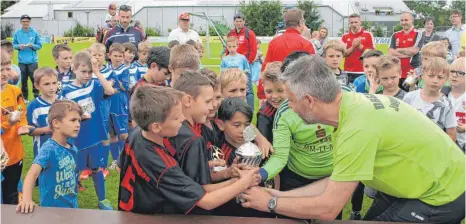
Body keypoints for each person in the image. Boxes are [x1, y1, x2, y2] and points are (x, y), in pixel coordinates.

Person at [240, 55, 465, 222]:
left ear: (309, 101)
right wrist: (279, 195)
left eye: (291, 100)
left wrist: (270, 203)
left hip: (442, 195)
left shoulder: (356, 128)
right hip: (421, 185)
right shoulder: (352, 105)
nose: (288, 106)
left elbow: (328, 208)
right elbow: (336, 182)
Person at [118, 84, 259, 214]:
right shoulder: (163, 166)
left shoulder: (138, 133)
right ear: (156, 127)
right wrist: (244, 182)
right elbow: (207, 201)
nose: (182, 120)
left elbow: (196, 188)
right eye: (176, 117)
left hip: (130, 211)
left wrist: (231, 178)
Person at [60, 51, 116, 210]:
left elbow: (110, 91)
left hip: (95, 136)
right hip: (77, 139)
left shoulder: (94, 84)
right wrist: (78, 116)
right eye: (83, 71)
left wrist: (97, 72)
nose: (87, 75)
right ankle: (72, 201)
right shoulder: (67, 90)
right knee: (75, 171)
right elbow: (63, 113)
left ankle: (103, 200)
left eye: (90, 72)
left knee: (96, 168)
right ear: (74, 69)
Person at [16, 100, 82, 213]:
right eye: (73, 120)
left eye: (79, 121)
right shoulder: (49, 148)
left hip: (72, 208)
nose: (78, 124)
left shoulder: (73, 148)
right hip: (51, 211)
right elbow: (32, 174)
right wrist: (26, 199)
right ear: (56, 123)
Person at [166, 71, 214, 188]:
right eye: (207, 101)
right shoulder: (193, 139)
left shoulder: (164, 126)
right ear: (187, 100)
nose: (212, 107)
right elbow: (199, 191)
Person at [257, 8, 315, 106]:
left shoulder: (274, 42)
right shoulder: (306, 43)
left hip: (277, 92)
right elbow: (313, 72)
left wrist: (262, 94)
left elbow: (265, 69)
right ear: (301, 22)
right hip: (298, 95)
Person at [1, 51, 30, 205]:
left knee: (11, 194)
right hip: (1, 154)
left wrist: (23, 125)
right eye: (1, 70)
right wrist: (8, 124)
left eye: (7, 68)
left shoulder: (15, 91)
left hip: (14, 154)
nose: (5, 74)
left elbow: (22, 111)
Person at [403, 57, 457, 142]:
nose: (435, 81)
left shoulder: (448, 104)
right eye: (431, 76)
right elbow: (402, 124)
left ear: (446, 79)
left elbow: (452, 136)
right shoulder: (409, 97)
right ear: (423, 75)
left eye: (440, 77)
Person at [107, 43, 130, 171]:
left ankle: (127, 158)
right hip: (108, 105)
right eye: (115, 55)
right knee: (112, 135)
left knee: (124, 135)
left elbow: (125, 88)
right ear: (109, 55)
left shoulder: (124, 69)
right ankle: (116, 160)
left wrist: (115, 79)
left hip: (120, 105)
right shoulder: (106, 69)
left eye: (120, 56)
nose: (118, 58)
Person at [27, 68, 58, 158]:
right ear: (36, 86)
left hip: (64, 148)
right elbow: (30, 131)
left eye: (54, 83)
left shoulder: (64, 101)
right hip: (44, 151)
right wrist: (48, 129)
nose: (52, 87)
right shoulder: (33, 106)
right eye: (47, 84)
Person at [389, 12, 421, 90]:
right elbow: (390, 53)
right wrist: (407, 53)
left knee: (409, 94)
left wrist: (398, 50)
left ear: (412, 20)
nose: (403, 22)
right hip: (396, 73)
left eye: (406, 20)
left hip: (411, 73)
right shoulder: (395, 35)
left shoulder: (418, 33)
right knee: (397, 96)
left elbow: (414, 51)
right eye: (402, 20)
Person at [13, 14, 42, 101]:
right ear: (21, 22)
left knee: (35, 80)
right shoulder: (17, 33)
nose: (25, 23)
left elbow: (39, 46)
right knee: (23, 81)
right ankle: (24, 98)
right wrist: (19, 46)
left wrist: (32, 45)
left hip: (33, 61)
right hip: (22, 61)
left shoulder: (34, 33)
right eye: (24, 21)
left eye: (27, 21)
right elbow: (13, 45)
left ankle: (36, 96)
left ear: (30, 22)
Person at [341, 13, 376, 83]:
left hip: (364, 71)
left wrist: (360, 46)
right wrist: (353, 47)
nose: (354, 24)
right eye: (352, 22)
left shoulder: (368, 34)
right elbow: (343, 54)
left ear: (360, 22)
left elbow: (372, 53)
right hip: (348, 71)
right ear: (349, 23)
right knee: (349, 93)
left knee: (363, 93)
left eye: (356, 22)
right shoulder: (345, 36)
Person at [256, 62, 285, 143]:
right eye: (269, 91)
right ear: (263, 86)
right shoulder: (264, 115)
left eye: (280, 90)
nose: (275, 96)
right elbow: (263, 145)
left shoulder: (296, 107)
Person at [444, 58, 466, 151]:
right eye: (452, 71)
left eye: (460, 73)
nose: (454, 75)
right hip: (446, 141)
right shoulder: (442, 93)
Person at [220, 37, 250, 104]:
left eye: (233, 46)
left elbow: (247, 69)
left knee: (241, 102)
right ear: (226, 47)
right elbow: (222, 72)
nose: (231, 48)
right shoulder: (225, 59)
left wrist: (241, 73)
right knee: (229, 102)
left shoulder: (242, 58)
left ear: (237, 46)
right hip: (229, 84)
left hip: (240, 82)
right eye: (229, 46)